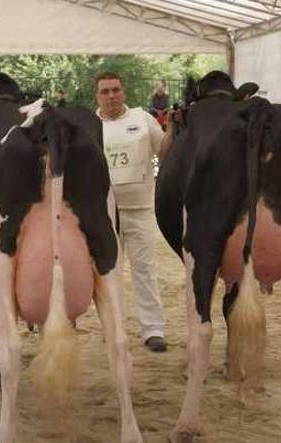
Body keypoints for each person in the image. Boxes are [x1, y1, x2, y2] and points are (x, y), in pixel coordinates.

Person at [95, 72, 168, 352]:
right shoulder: (90, 124)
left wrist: (172, 129)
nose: (111, 96)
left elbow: (164, 151)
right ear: (97, 96)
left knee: (144, 269)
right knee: (107, 274)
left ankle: (153, 329)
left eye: (116, 90)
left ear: (123, 92)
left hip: (140, 209)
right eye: (105, 91)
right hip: (103, 214)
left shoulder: (143, 119)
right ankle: (113, 328)